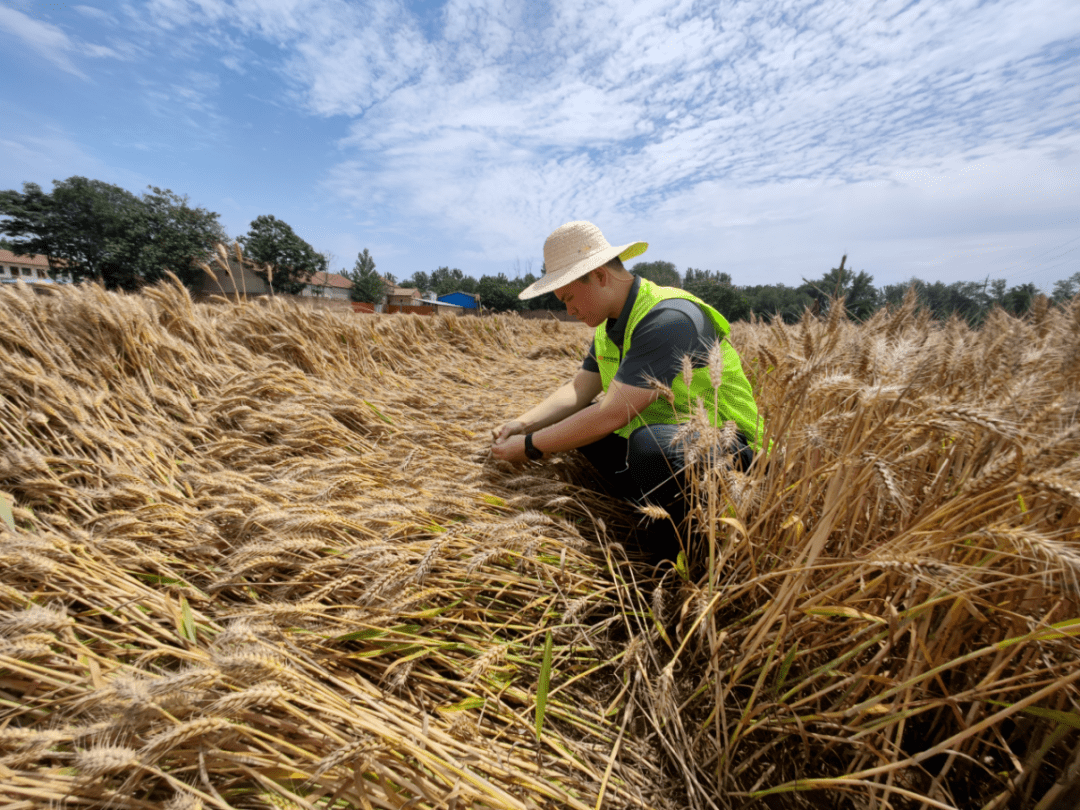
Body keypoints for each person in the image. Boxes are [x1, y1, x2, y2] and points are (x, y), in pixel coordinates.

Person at [491, 220, 763, 564]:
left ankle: (682, 555)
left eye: (570, 297)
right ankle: (653, 501)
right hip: (676, 444)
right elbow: (579, 390)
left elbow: (613, 414)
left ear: (601, 276)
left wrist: (529, 448)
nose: (569, 310)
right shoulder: (611, 326)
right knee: (584, 427)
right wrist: (523, 424)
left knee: (648, 447)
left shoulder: (668, 317)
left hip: (731, 453)